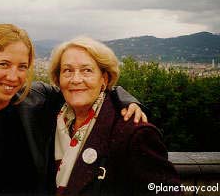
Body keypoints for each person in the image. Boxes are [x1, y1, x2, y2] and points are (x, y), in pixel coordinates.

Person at [0, 24, 147, 195]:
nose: (14, 77)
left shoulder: (37, 101)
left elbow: (84, 90)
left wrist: (126, 101)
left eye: (23, 67)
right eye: (4, 64)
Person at [50, 37, 180, 196]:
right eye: (68, 70)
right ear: (59, 78)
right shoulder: (51, 120)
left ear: (104, 79)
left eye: (87, 70)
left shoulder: (132, 132)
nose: (76, 79)